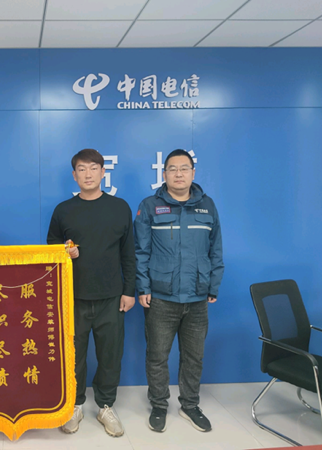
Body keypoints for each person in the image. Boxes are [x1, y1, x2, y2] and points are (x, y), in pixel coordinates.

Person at [47, 149, 136, 437]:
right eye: (82, 169)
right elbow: (51, 249)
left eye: (93, 168)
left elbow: (128, 253)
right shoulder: (63, 210)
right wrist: (64, 251)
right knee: (73, 356)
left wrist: (129, 291)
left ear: (103, 172)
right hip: (73, 297)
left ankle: (106, 406)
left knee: (110, 355)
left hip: (111, 297)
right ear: (74, 175)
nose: (88, 174)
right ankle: (74, 405)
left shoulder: (119, 207)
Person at [134, 149, 224, 433]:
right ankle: (159, 405)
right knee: (157, 356)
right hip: (161, 297)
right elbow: (140, 252)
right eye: (172, 169)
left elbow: (216, 249)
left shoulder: (207, 206)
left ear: (193, 173)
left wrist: (213, 284)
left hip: (197, 297)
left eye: (184, 168)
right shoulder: (150, 206)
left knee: (194, 357)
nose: (178, 174)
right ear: (164, 174)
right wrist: (143, 287)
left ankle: (190, 405)